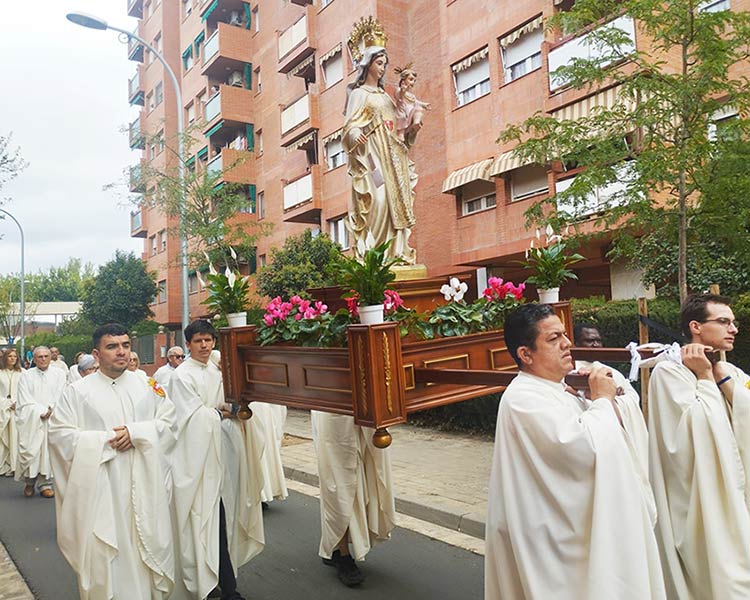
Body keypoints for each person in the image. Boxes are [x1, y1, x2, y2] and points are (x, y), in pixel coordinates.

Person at [485, 304, 665, 600]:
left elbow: (601, 428)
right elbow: (583, 449)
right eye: (554, 339)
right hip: (552, 541)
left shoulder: (557, 388)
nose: (568, 344)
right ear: (525, 354)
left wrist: (602, 397)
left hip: (569, 532)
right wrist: (602, 400)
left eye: (565, 335)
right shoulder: (523, 398)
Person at [48, 323, 176, 600]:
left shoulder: (148, 385)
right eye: (112, 346)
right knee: (106, 555)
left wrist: (138, 433)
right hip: (101, 489)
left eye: (126, 345)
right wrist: (106, 440)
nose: (122, 352)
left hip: (144, 483)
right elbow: (59, 436)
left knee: (145, 553)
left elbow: (170, 423)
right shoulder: (78, 392)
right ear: (97, 354)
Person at [648, 294, 750, 599]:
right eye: (723, 321)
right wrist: (705, 377)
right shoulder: (668, 373)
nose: (733, 329)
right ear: (695, 326)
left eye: (733, 322)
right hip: (697, 496)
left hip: (735, 492)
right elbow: (686, 439)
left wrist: (722, 380)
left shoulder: (728, 370)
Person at [168, 320, 264, 600]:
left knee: (229, 515)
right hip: (198, 457)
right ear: (188, 344)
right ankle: (211, 585)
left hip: (227, 450)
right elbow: (189, 418)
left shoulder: (218, 366)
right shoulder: (182, 375)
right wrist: (221, 412)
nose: (205, 346)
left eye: (209, 340)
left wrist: (229, 405)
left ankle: (226, 580)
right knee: (208, 519)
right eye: (198, 341)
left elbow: (236, 391)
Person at [343, 45, 417, 264]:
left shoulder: (386, 97)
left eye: (385, 64)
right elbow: (349, 127)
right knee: (380, 199)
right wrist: (356, 134)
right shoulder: (358, 94)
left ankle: (395, 255)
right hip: (371, 157)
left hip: (392, 157)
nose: (383, 68)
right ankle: (375, 258)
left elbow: (398, 125)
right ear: (368, 64)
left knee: (397, 201)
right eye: (379, 63)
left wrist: (411, 128)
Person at [573, 322, 649, 473]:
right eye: (589, 341)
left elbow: (633, 398)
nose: (595, 345)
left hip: (621, 433)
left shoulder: (611, 372)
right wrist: (601, 396)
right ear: (576, 343)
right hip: (596, 440)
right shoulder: (573, 373)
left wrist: (617, 400)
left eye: (598, 341)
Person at [15, 345, 67, 498]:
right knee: (33, 450)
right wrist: (41, 411)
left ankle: (45, 484)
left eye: (46, 356)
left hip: (53, 419)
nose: (43, 359)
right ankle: (29, 482)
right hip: (33, 420)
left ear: (51, 357)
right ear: (34, 359)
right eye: (40, 357)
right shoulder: (26, 375)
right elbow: (24, 399)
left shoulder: (59, 374)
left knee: (48, 452)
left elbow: (62, 394)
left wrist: (52, 409)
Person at [393, 63, 430, 148]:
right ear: (403, 80)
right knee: (402, 116)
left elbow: (416, 102)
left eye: (414, 80)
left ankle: (415, 125)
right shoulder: (399, 90)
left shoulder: (411, 95)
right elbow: (399, 96)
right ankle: (400, 133)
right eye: (410, 79)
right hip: (403, 112)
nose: (412, 82)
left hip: (411, 113)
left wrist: (424, 105)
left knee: (419, 109)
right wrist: (403, 90)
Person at [0, 348, 22, 476]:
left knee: (15, 437)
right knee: (3, 437)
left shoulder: (22, 373)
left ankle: (14, 465)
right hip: (3, 408)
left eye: (15, 356)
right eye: (10, 356)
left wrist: (18, 403)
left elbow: (26, 391)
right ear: (5, 358)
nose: (13, 358)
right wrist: (7, 403)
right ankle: (3, 464)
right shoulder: (0, 372)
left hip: (17, 409)